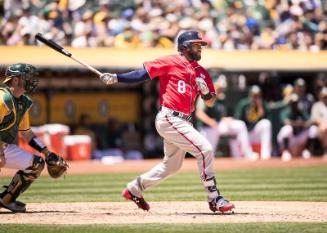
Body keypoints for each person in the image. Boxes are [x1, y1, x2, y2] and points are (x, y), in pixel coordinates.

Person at [99, 30, 235, 213]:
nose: (200, 48)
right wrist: (117, 78)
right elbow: (142, 74)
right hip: (169, 117)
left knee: (171, 166)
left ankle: (134, 188)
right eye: (196, 45)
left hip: (185, 121)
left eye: (201, 45)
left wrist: (206, 93)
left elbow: (210, 102)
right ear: (185, 47)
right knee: (206, 150)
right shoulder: (170, 61)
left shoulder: (201, 72)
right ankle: (214, 198)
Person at [0, 63, 67, 213]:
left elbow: (27, 133)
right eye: (27, 77)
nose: (31, 80)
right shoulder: (3, 99)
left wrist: (47, 153)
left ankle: (6, 200)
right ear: (15, 80)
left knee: (37, 164)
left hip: (3, 146)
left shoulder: (24, 102)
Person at [195, 78, 258, 160]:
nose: (220, 89)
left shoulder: (220, 98)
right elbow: (199, 113)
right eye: (218, 87)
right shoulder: (205, 95)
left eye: (221, 87)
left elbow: (218, 116)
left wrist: (225, 119)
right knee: (209, 154)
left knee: (240, 125)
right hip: (207, 128)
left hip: (218, 125)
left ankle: (247, 154)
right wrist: (210, 121)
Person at [277, 93, 319, 161]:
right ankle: (286, 151)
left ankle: (307, 150)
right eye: (293, 103)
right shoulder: (286, 111)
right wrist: (298, 123)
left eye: (296, 103)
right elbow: (286, 122)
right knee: (287, 129)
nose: (294, 104)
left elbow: (310, 121)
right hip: (289, 139)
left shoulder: (301, 111)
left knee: (313, 129)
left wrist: (303, 123)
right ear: (290, 103)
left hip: (299, 136)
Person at [234, 85, 272, 160]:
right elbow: (237, 119)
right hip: (244, 135)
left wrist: (260, 107)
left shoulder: (263, 104)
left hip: (255, 133)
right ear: (250, 94)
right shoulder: (244, 104)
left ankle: (265, 154)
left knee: (266, 123)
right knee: (241, 126)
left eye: (258, 95)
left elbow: (267, 118)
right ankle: (248, 154)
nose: (256, 97)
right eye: (254, 95)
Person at [310, 87, 327, 156]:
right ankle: (326, 149)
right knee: (324, 128)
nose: (326, 98)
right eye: (324, 96)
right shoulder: (317, 105)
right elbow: (314, 119)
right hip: (320, 127)